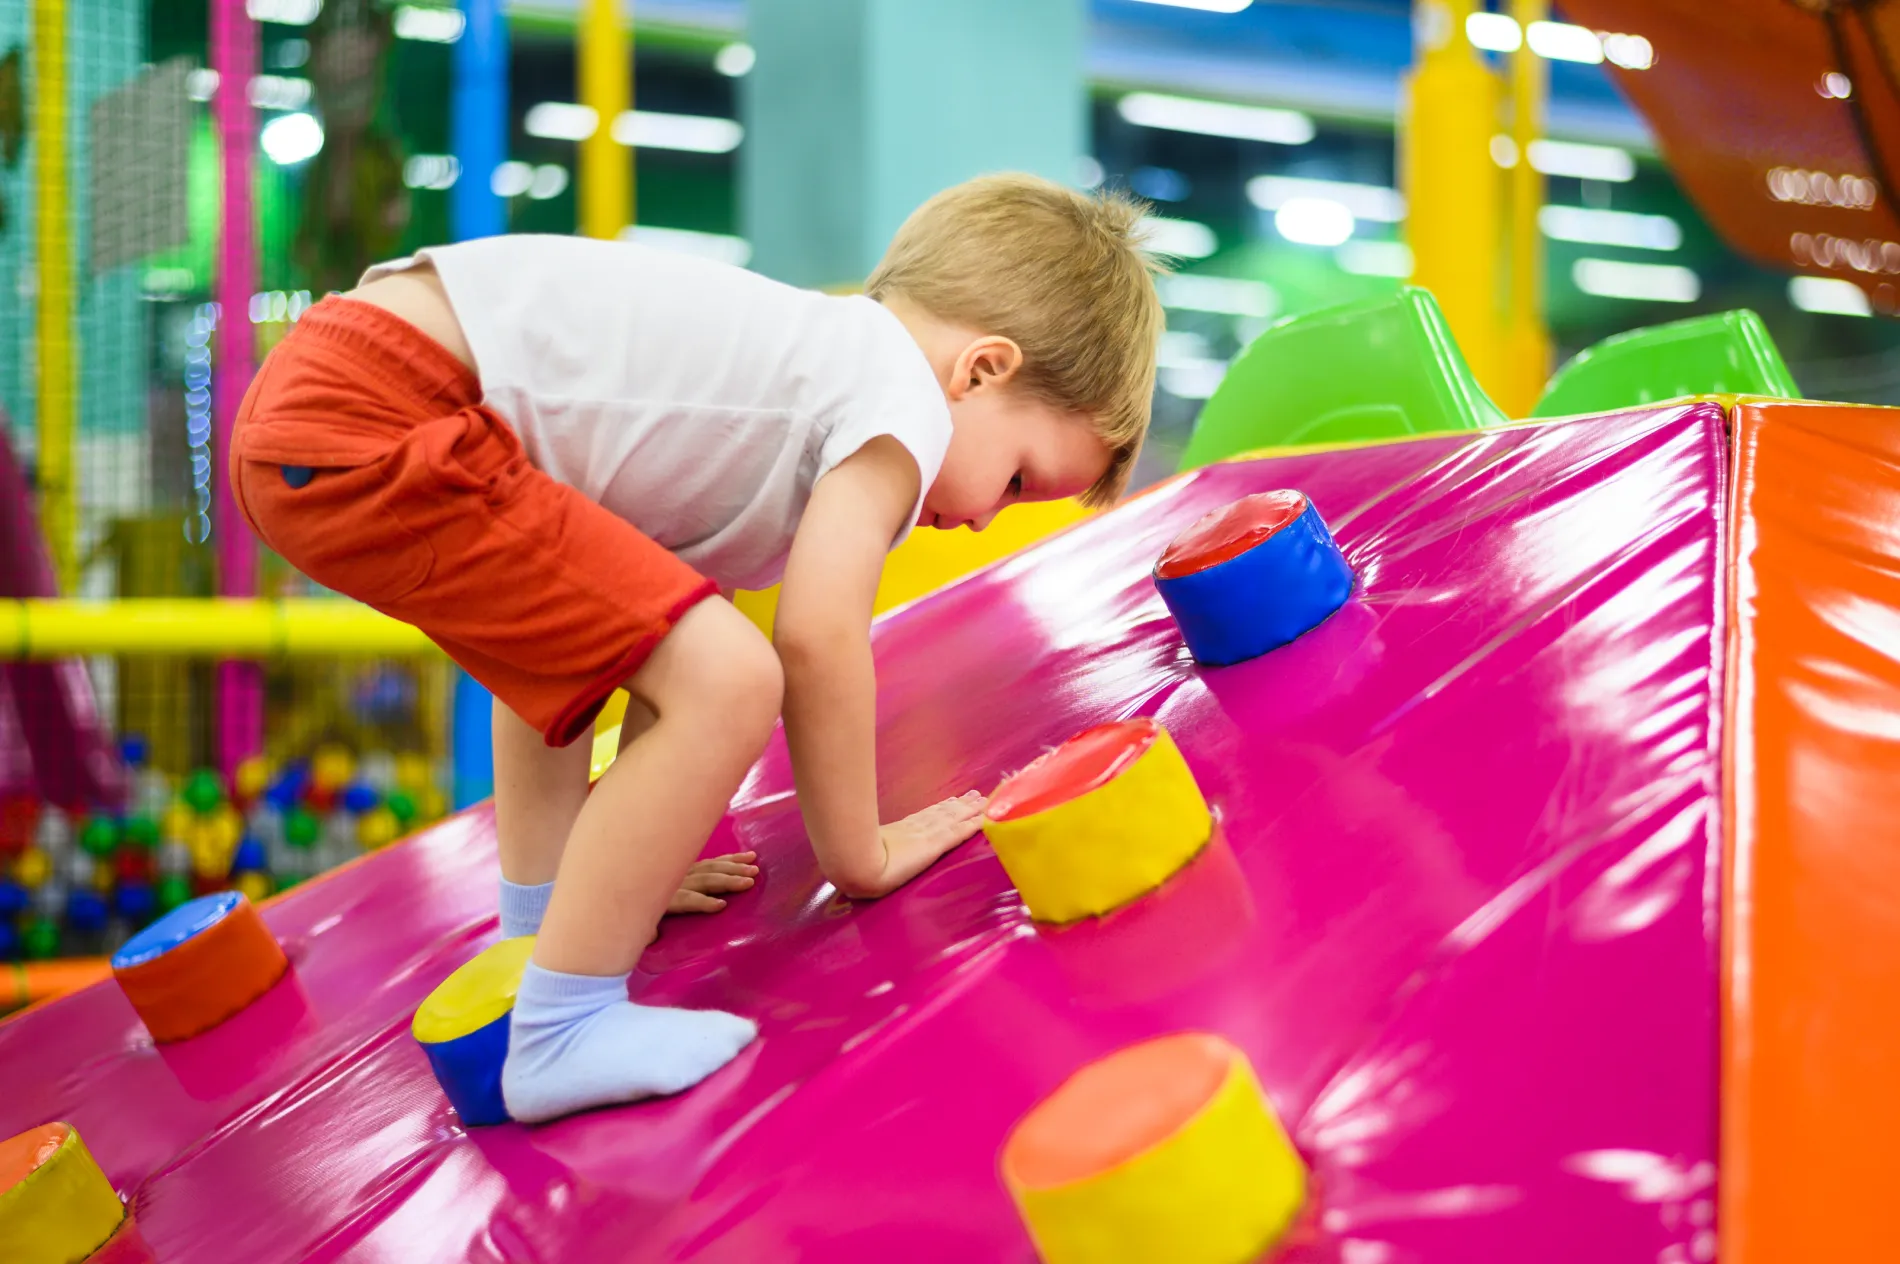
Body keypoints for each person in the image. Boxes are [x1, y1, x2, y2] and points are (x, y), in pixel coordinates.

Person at [228, 173, 1164, 1123]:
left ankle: (542, 940)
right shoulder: (897, 399)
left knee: (651, 652)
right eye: (1013, 479)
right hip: (384, 404)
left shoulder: (763, 392)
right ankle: (564, 1027)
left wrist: (611, 882)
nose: (979, 522)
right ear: (981, 370)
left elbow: (575, 671)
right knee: (733, 676)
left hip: (330, 394)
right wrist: (861, 854)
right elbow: (817, 637)